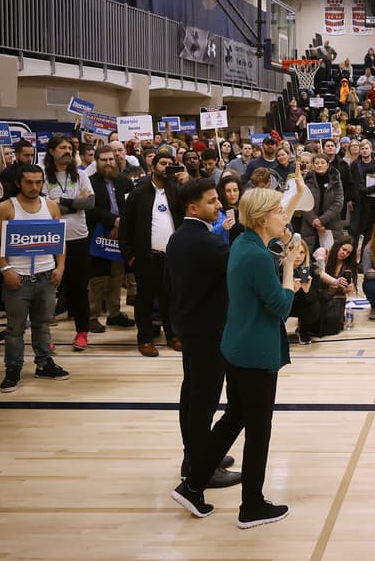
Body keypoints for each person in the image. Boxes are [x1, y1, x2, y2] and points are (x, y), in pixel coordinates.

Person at [172, 187, 294, 527]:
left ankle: (193, 485)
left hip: (235, 347)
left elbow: (268, 248)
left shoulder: (243, 242)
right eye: (278, 212)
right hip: (256, 351)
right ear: (262, 217)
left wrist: (283, 250)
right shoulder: (255, 255)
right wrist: (288, 273)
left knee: (232, 418)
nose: (283, 217)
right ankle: (251, 506)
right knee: (259, 430)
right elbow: (282, 306)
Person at [166, 178, 243, 491]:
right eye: (212, 201)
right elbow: (238, 269)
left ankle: (195, 455)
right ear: (192, 207)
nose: (219, 205)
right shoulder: (205, 242)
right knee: (203, 400)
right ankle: (202, 466)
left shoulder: (180, 237)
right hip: (207, 329)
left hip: (190, 325)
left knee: (193, 395)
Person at [0, 165, 69, 393]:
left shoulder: (51, 206)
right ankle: (12, 369)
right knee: (15, 329)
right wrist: (5, 269)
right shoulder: (5, 208)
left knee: (43, 324)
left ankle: (44, 363)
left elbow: (60, 239)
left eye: (38, 182)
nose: (34, 186)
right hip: (18, 276)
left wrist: (61, 266)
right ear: (18, 183)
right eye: (29, 182)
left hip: (47, 275)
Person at [120, 145, 184, 357]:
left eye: (169, 164)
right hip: (146, 257)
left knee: (171, 298)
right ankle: (145, 338)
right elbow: (125, 228)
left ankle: (172, 335)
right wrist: (129, 257)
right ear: (153, 166)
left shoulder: (176, 191)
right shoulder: (139, 193)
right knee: (145, 299)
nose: (166, 167)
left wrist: (185, 182)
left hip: (172, 257)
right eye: (162, 163)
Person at [42, 135, 95, 352]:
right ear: (52, 151)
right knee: (48, 289)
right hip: (51, 238)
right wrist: (76, 204)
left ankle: (82, 333)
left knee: (79, 289)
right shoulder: (43, 176)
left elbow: (90, 202)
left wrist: (61, 202)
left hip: (78, 238)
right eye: (62, 147)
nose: (67, 151)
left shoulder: (81, 175)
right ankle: (44, 335)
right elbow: (44, 207)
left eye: (69, 148)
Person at [86, 145, 136, 332]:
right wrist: (113, 222)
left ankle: (114, 314)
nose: (108, 163)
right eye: (103, 159)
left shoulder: (125, 182)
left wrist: (121, 225)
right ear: (97, 162)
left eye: (111, 159)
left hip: (121, 235)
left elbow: (131, 206)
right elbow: (90, 210)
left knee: (117, 275)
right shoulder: (89, 182)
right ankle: (92, 316)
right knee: (98, 278)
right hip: (99, 234)